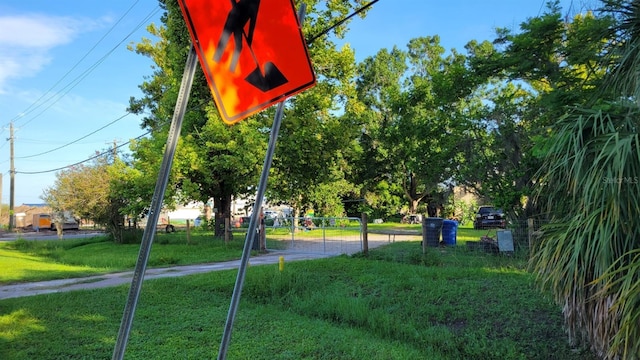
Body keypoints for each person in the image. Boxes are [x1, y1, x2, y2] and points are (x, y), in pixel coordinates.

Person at [214, 0, 260, 72]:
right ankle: (215, 61)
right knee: (224, 39)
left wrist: (249, 40)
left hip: (239, 24)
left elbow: (253, 22)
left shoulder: (257, 3)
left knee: (239, 47)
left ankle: (231, 69)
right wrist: (235, 8)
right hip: (233, 17)